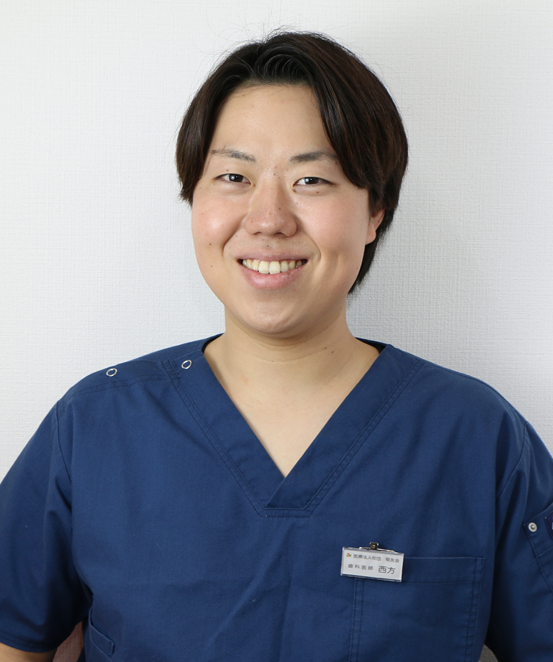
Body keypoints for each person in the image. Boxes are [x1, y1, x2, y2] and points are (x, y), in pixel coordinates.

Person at [0, 31, 552, 662]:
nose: (268, 219)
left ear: (375, 211)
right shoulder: (94, 428)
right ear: (194, 200)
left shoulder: (477, 439)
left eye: (311, 180)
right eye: (234, 176)